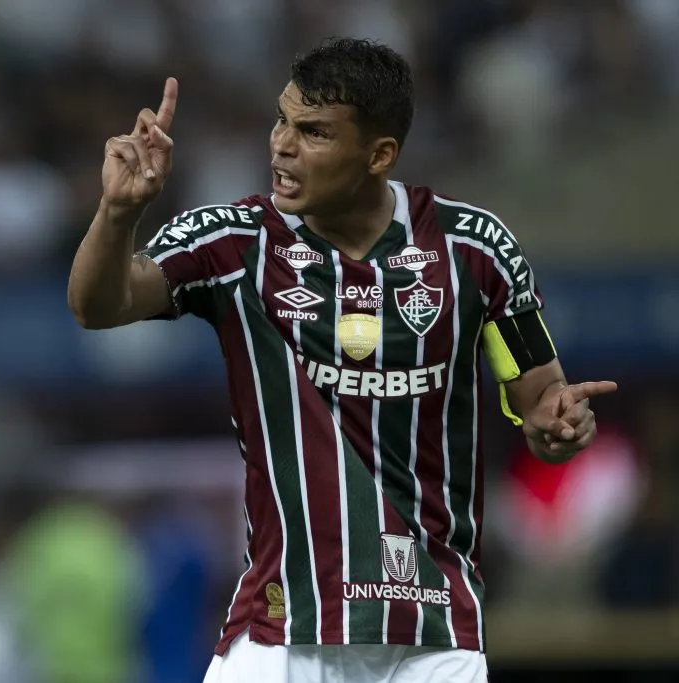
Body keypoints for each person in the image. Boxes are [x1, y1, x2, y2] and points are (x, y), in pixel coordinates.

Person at [67, 37, 616, 683]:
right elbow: (99, 306)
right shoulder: (236, 242)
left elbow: (541, 402)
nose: (282, 144)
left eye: (314, 131)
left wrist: (559, 426)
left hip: (432, 636)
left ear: (379, 153)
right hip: (280, 630)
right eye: (282, 120)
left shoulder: (475, 249)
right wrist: (117, 211)